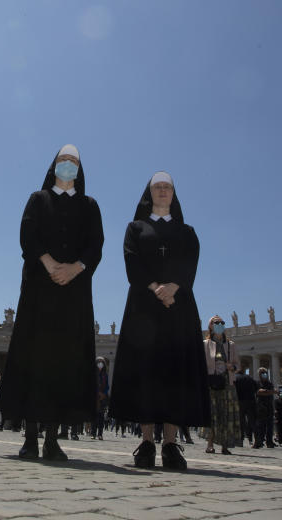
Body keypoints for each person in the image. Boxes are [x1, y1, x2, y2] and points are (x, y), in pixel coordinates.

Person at [0, 145, 103, 462]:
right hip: (39, 288)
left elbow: (96, 245)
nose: (68, 165)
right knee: (35, 358)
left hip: (74, 292)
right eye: (62, 161)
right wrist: (48, 263)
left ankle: (53, 439)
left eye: (73, 162)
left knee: (63, 362)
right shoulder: (38, 198)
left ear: (80, 169)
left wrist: (75, 268)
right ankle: (30, 437)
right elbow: (27, 234)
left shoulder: (90, 205)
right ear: (53, 167)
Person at [110, 171, 208, 471]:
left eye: (168, 187)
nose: (163, 191)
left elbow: (191, 262)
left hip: (179, 306)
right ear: (149, 193)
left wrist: (174, 287)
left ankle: (170, 443)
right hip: (144, 307)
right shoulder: (135, 228)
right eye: (158, 187)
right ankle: (147, 441)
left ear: (174, 194)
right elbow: (131, 261)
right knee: (146, 371)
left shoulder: (187, 231)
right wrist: (156, 288)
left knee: (174, 372)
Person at [202, 316, 241, 455]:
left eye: (222, 323)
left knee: (226, 413)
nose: (220, 324)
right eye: (216, 322)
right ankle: (210, 443)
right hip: (211, 382)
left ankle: (225, 445)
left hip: (227, 383)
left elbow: (238, 364)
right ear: (210, 326)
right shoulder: (205, 344)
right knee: (213, 413)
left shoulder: (231, 345)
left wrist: (232, 367)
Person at [253, 366, 276, 448]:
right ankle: (259, 441)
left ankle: (269, 442)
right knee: (260, 425)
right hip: (260, 406)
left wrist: (267, 392)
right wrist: (269, 392)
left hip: (269, 405)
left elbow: (272, 392)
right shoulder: (257, 383)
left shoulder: (270, 383)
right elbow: (259, 392)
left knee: (270, 425)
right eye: (262, 373)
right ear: (259, 374)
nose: (264, 374)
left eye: (265, 372)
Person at [233, 368, 257, 447]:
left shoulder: (235, 377)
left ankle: (240, 441)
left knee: (240, 421)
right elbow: (257, 388)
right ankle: (257, 440)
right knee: (253, 421)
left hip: (240, 401)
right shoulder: (249, 378)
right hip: (251, 401)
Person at [94, 357, 109, 440]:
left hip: (103, 398)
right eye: (98, 362)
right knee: (94, 416)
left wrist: (104, 393)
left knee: (101, 417)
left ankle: (100, 434)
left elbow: (107, 386)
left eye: (102, 362)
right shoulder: (94, 373)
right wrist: (98, 392)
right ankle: (93, 433)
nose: (100, 364)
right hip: (95, 397)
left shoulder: (105, 375)